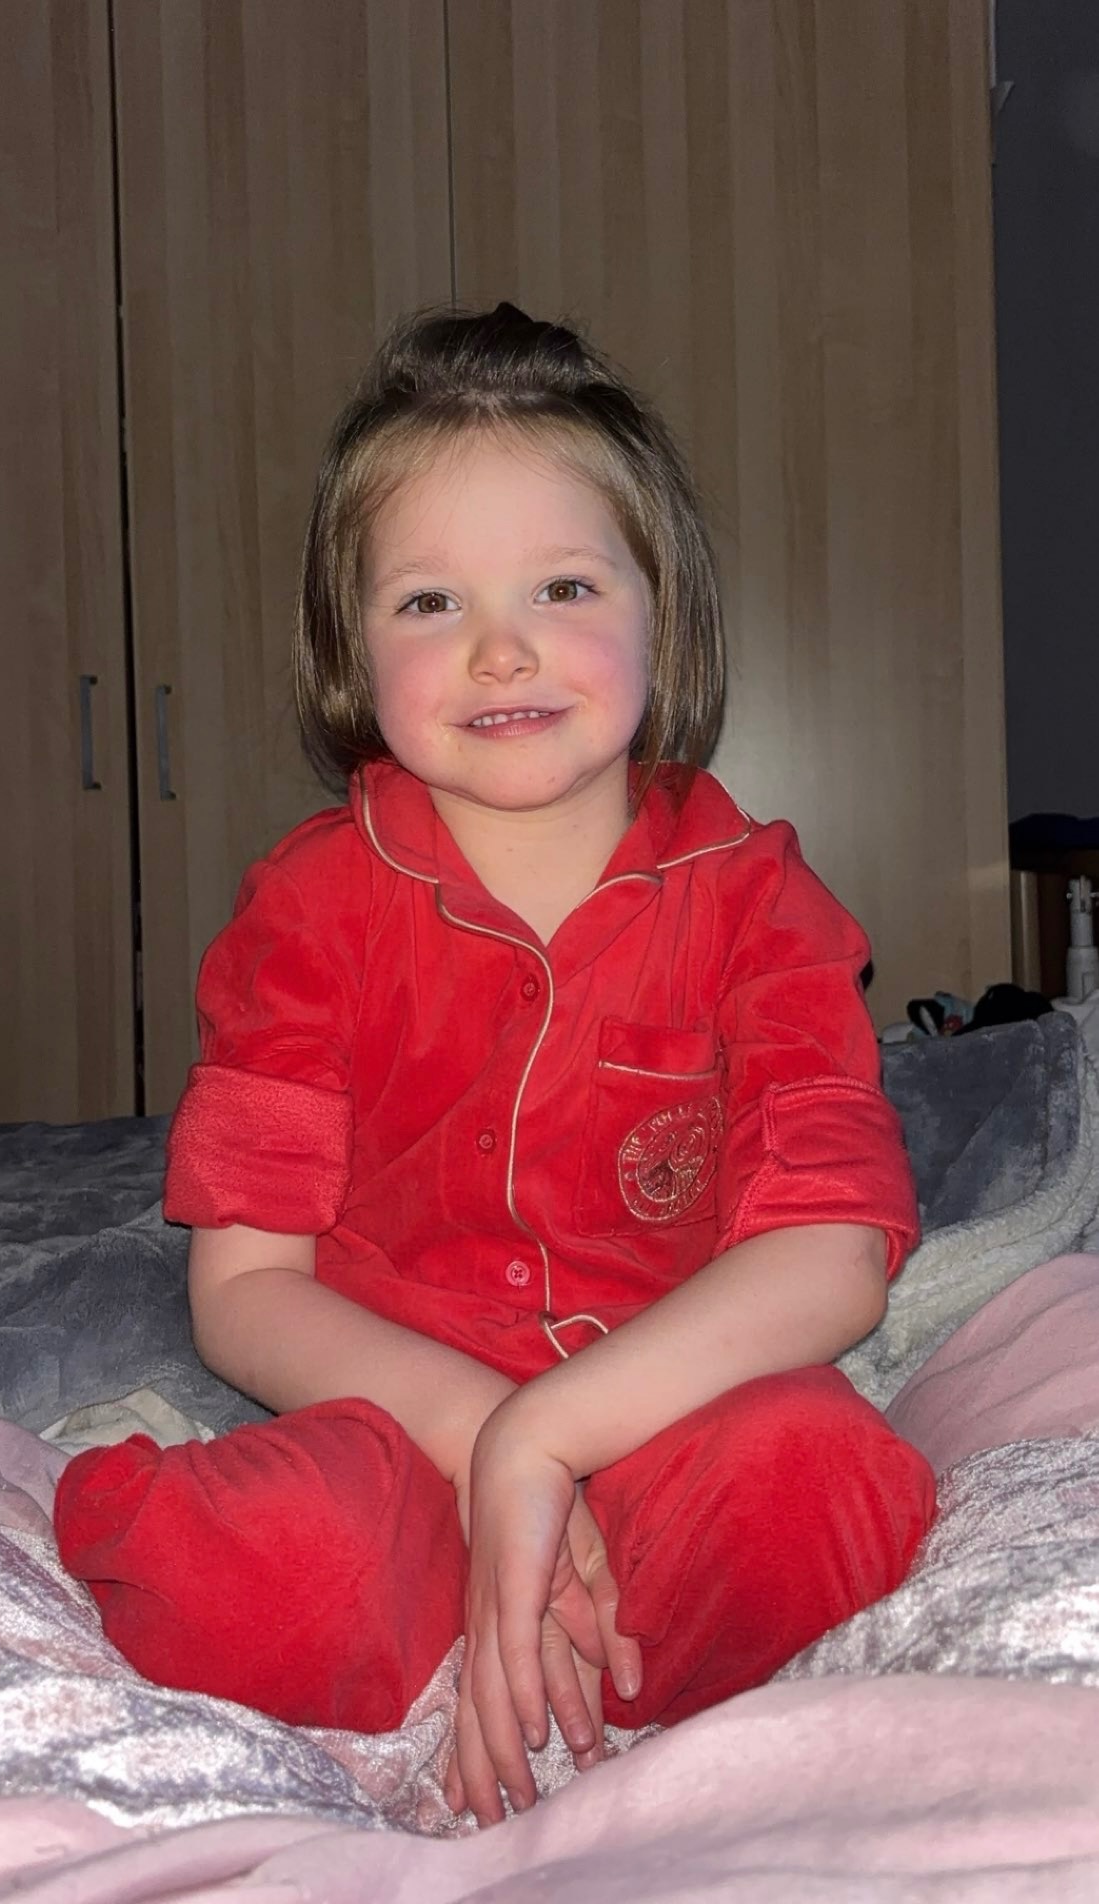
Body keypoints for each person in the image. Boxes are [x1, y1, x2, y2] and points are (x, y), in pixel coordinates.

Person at [53, 301, 936, 1829]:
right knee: (248, 1568)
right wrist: (480, 1440)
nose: (500, 646)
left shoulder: (760, 901)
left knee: (827, 1480)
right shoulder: (303, 911)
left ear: (664, 615)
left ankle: (581, 1672)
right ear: (352, 652)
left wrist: (548, 1436)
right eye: (429, 601)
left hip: (671, 1422)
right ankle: (496, 1631)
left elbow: (832, 1254)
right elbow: (245, 1289)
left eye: (564, 585)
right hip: (402, 1444)